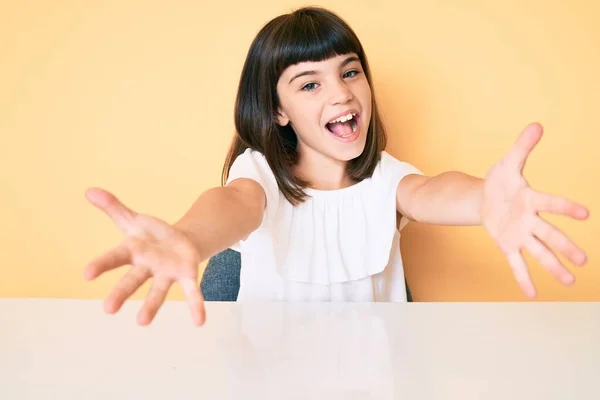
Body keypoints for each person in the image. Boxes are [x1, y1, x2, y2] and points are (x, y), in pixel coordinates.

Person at [83, 6, 589, 326]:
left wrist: (486, 199)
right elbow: (232, 205)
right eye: (310, 84)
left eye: (350, 72)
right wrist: (188, 238)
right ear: (277, 110)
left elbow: (430, 190)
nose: (342, 92)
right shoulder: (258, 176)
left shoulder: (383, 180)